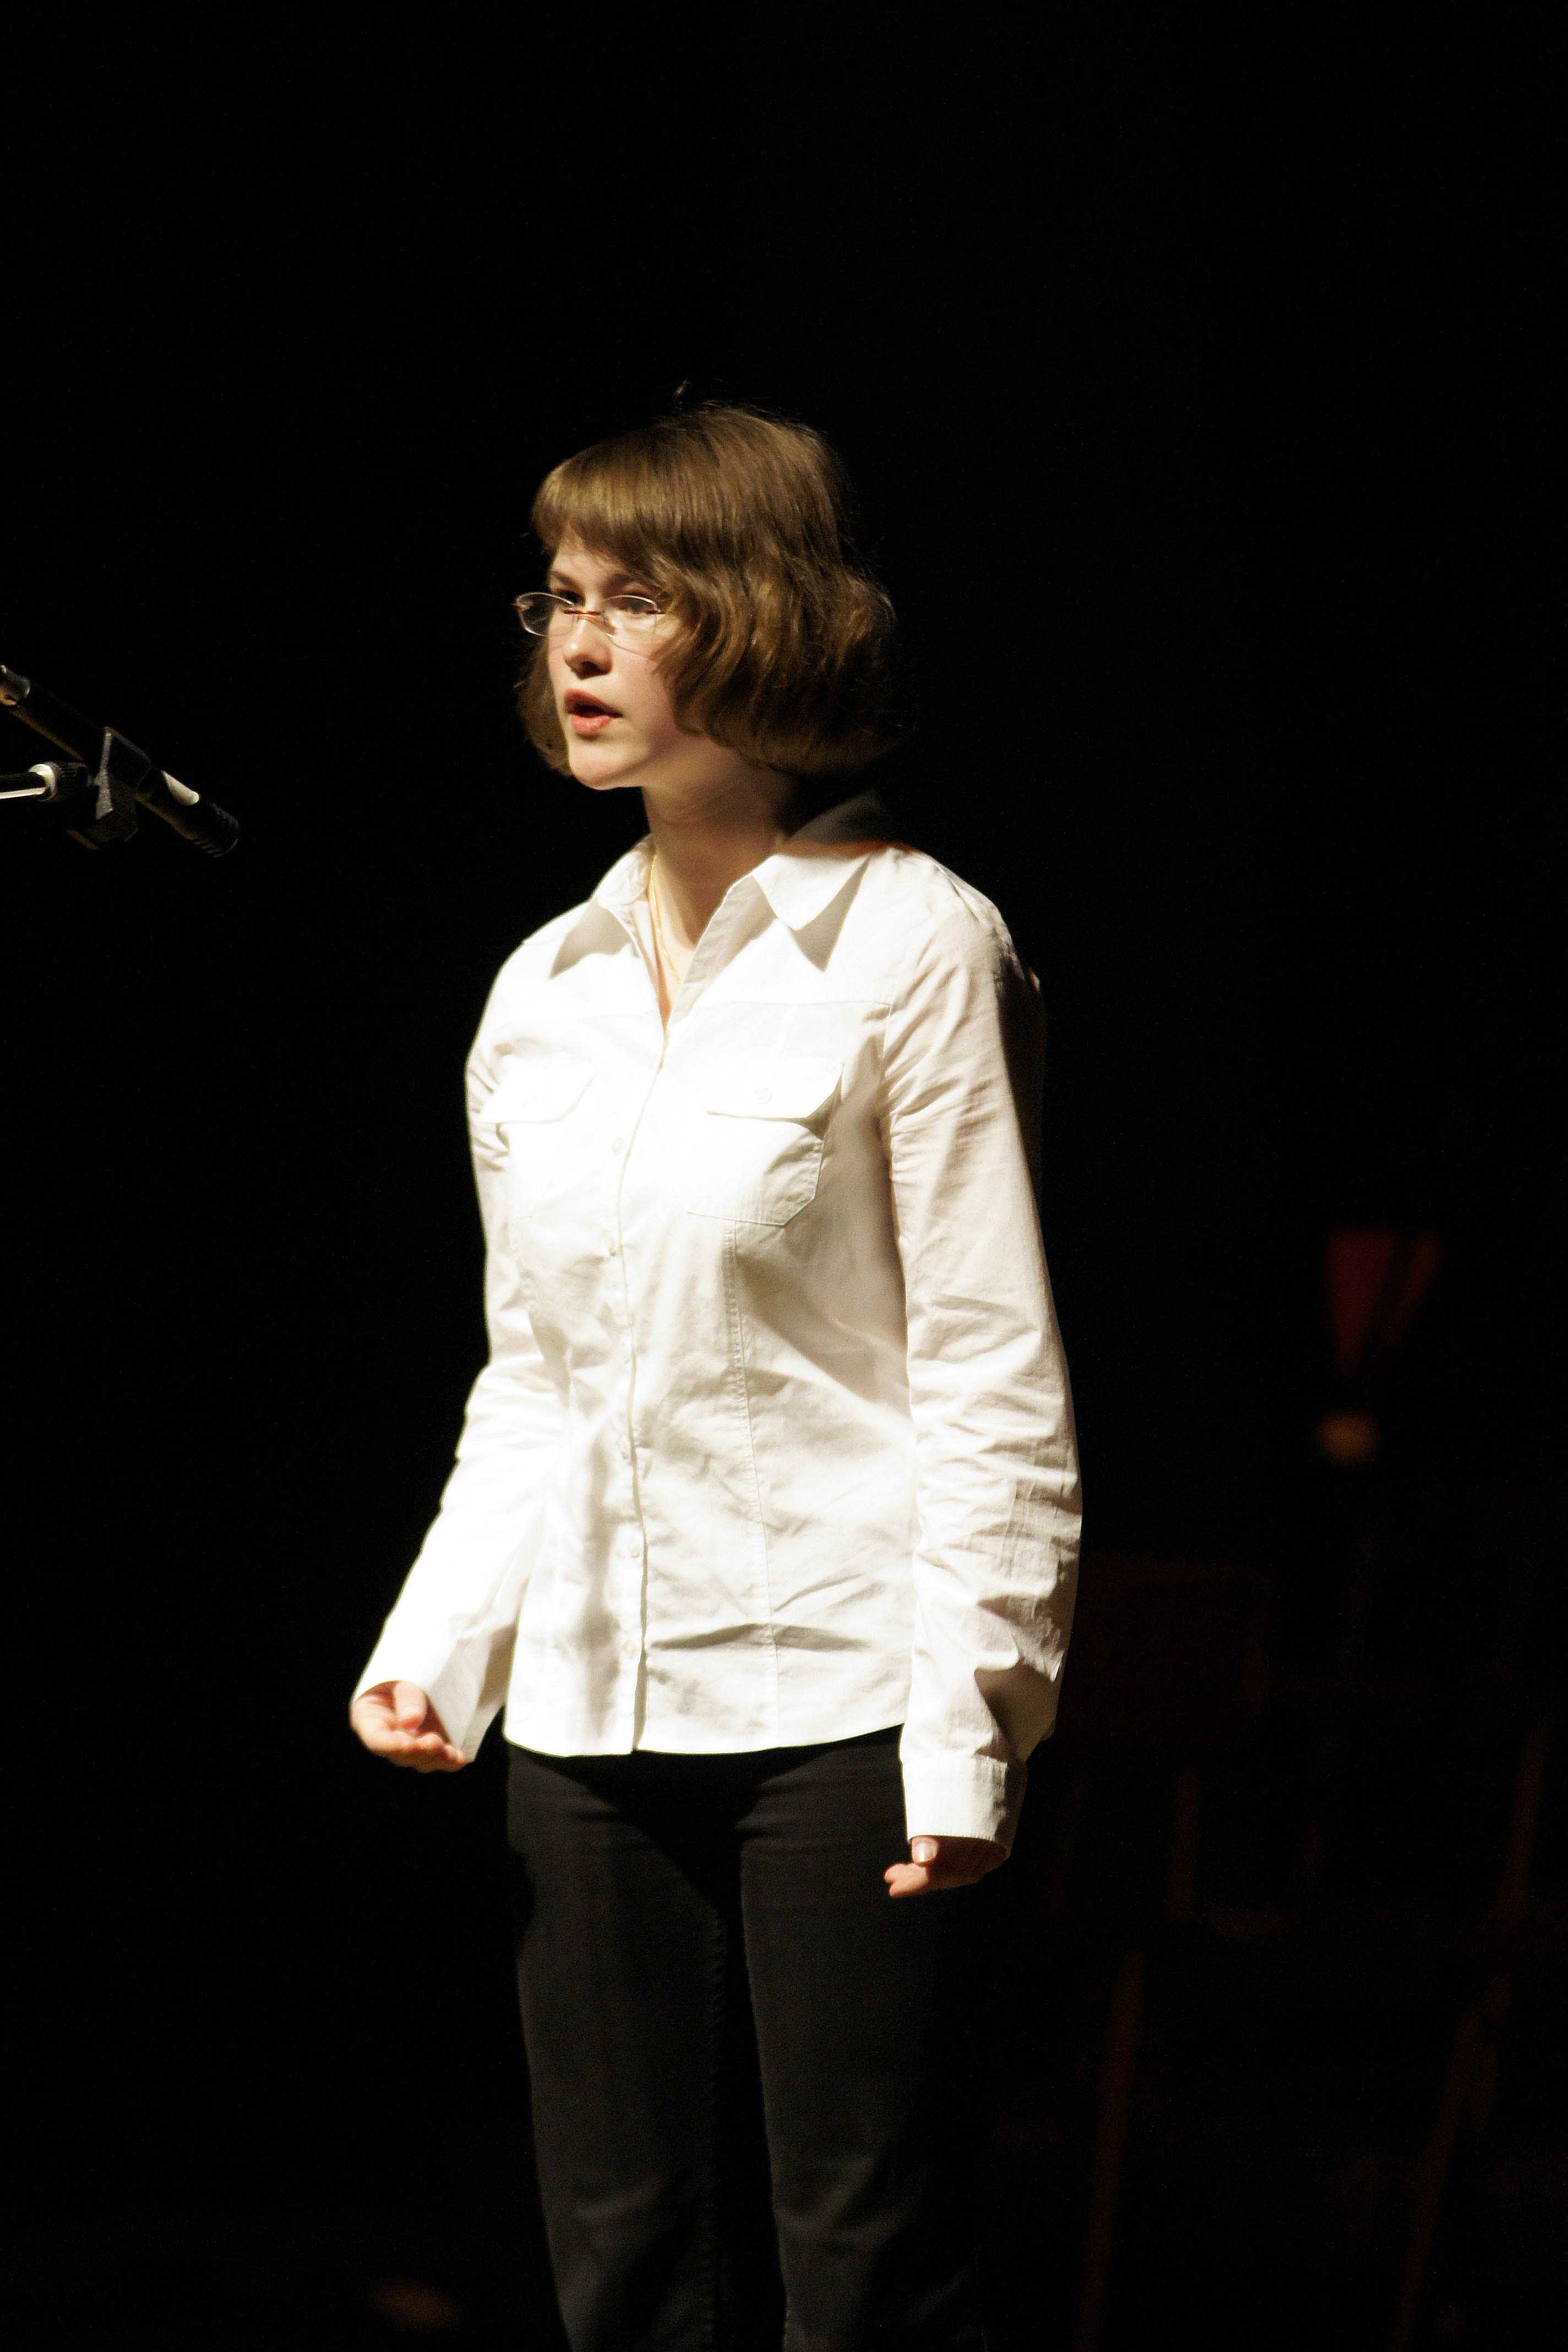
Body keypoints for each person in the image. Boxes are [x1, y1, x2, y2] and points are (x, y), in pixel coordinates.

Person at [349, 401, 1081, 2351]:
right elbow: (538, 1372)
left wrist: (977, 1722)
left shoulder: (914, 944)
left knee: (866, 2269)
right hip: (588, 1712)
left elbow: (990, 1368)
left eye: (638, 600)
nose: (579, 646)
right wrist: (445, 1637)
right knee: (625, 2270)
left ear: (760, 617)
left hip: (844, 1700)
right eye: (560, 599)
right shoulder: (545, 989)